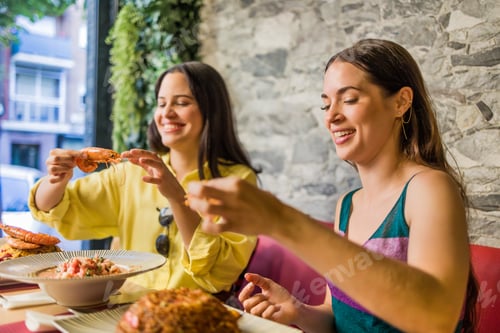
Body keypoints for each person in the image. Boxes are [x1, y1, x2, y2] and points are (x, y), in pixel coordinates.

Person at [185, 39, 478, 332]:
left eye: (349, 99)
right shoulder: (347, 206)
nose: (331, 116)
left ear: (400, 102)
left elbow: (436, 318)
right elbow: (338, 319)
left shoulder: (428, 189)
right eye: (326, 104)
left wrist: (281, 220)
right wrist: (298, 312)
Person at [28, 61, 261, 296]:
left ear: (212, 110)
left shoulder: (239, 182)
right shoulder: (131, 173)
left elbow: (223, 272)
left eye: (181, 102)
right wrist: (57, 178)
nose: (166, 113)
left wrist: (178, 198)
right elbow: (55, 208)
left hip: (196, 315)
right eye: (161, 104)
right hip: (125, 310)